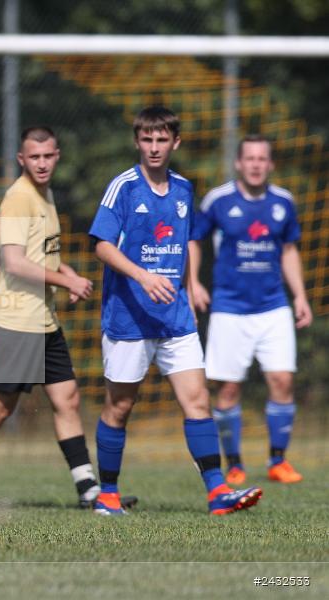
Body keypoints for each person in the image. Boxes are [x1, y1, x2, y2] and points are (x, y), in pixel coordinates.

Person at [88, 106, 262, 516]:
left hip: (175, 318)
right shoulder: (124, 187)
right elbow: (101, 244)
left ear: (175, 142)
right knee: (120, 406)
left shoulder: (184, 189)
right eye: (146, 140)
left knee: (198, 401)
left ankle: (218, 492)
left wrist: (193, 281)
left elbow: (187, 243)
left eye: (161, 139)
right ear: (137, 142)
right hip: (129, 318)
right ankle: (108, 493)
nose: (153, 147)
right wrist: (143, 277)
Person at [0, 128, 108, 509]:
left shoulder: (46, 194)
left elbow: (44, 255)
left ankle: (88, 488)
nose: (42, 163)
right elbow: (15, 262)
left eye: (48, 156)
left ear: (57, 155)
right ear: (21, 160)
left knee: (67, 399)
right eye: (34, 157)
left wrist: (69, 276)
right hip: (15, 322)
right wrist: (65, 280)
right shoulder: (18, 199)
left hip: (44, 319)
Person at [189, 135, 312, 485]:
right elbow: (194, 240)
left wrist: (300, 296)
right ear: (238, 164)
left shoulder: (283, 203)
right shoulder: (219, 201)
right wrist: (193, 282)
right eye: (250, 158)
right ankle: (236, 463)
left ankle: (278, 461)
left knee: (282, 379)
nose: (256, 164)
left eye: (262, 159)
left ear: (270, 164)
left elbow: (289, 250)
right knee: (227, 389)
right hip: (229, 307)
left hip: (273, 306)